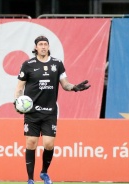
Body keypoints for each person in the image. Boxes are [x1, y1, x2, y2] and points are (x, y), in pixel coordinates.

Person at [14, 35, 90, 184]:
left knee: (48, 144)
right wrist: (16, 102)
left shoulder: (57, 64)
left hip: (49, 111)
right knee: (31, 143)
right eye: (40, 44)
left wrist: (74, 87)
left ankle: (44, 173)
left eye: (45, 44)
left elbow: (65, 84)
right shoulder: (28, 64)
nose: (43, 46)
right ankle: (30, 179)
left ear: (48, 47)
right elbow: (19, 88)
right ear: (36, 47)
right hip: (32, 112)